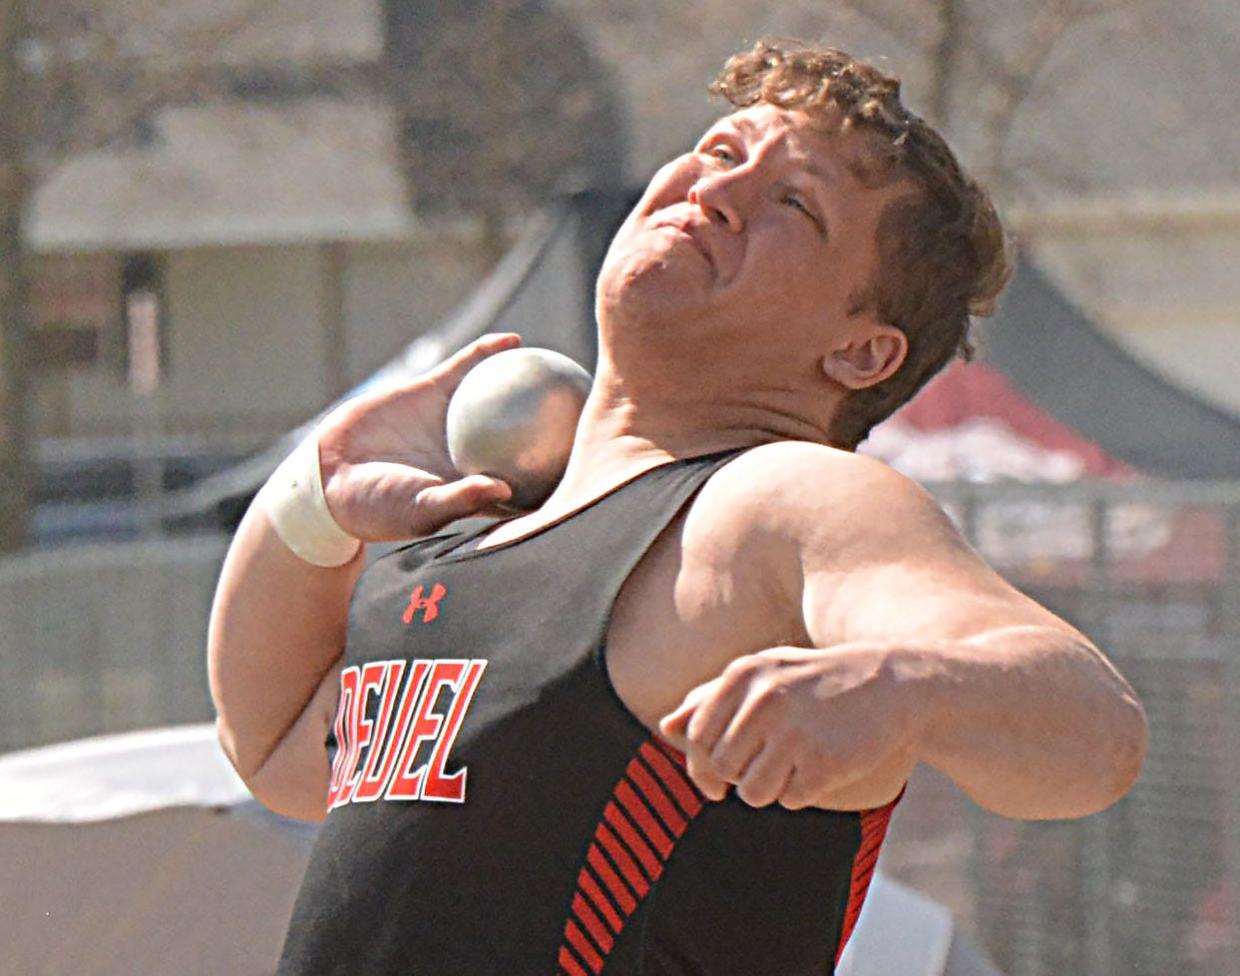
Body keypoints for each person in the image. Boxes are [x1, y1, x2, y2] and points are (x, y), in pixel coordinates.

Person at [208, 39, 1148, 974]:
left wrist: (901, 688)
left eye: (791, 203)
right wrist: (313, 502)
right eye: (722, 151)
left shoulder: (779, 502)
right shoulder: (484, 532)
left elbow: (1092, 734)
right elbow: (275, 747)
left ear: (859, 353)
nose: (716, 190)